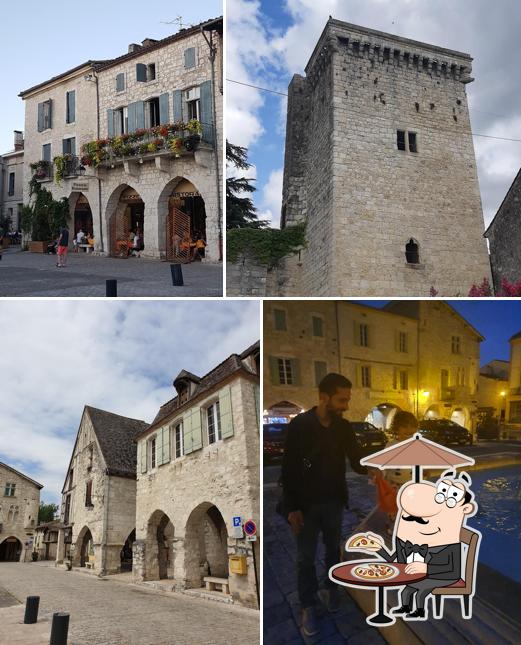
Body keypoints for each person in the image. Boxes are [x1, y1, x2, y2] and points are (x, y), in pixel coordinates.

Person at [281, 373, 367, 637]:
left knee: (332, 550)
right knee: (305, 558)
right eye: (342, 400)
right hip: (305, 506)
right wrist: (291, 509)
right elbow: (289, 469)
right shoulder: (300, 425)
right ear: (324, 397)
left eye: (347, 400)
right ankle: (308, 605)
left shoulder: (344, 427)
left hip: (334, 502)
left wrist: (377, 468)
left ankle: (331, 589)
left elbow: (356, 459)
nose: (346, 406)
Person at [362, 471, 477, 620]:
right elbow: (394, 559)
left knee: (421, 588)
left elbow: (451, 568)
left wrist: (426, 568)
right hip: (427, 571)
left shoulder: (450, 543)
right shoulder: (422, 537)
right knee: (407, 589)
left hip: (446, 575)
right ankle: (405, 606)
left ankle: (420, 610)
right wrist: (378, 548)